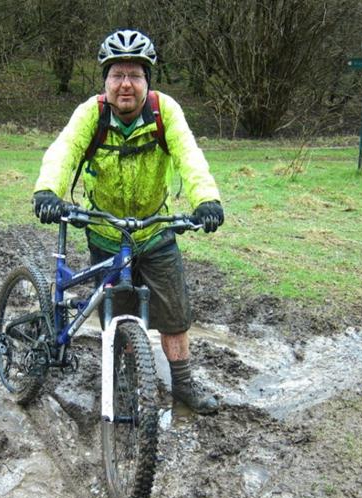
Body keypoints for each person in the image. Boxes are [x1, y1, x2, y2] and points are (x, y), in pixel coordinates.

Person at [32, 29, 224, 414]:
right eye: (117, 75)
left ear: (146, 81)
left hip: (155, 231)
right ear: (105, 80)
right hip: (105, 231)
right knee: (116, 313)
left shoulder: (164, 112)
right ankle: (121, 375)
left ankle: (183, 383)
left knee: (174, 314)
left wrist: (206, 199)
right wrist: (47, 190)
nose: (126, 84)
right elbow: (64, 149)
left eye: (135, 76)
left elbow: (190, 155)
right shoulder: (91, 113)